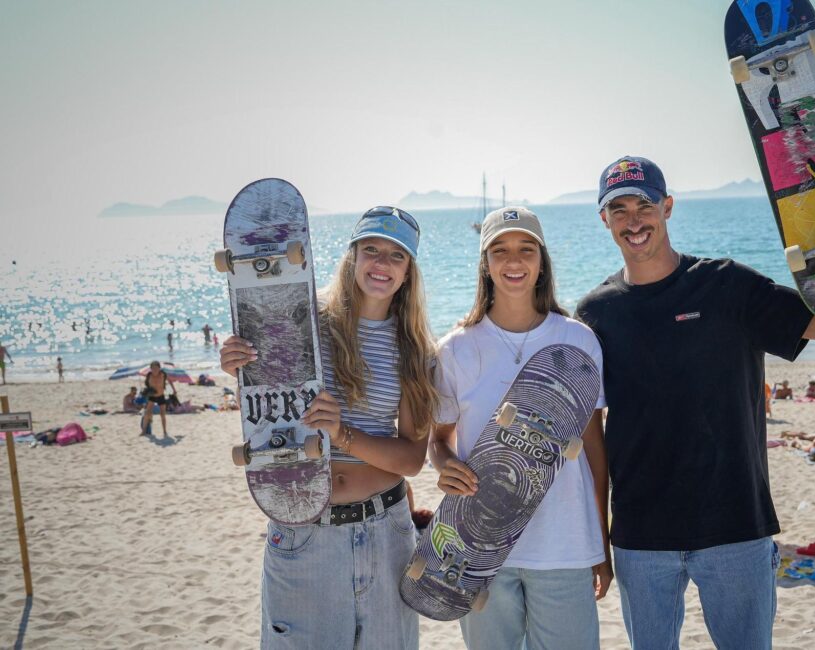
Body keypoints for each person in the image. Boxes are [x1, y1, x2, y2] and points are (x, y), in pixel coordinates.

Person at [573, 155, 815, 649]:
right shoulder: (596, 314)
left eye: (645, 205)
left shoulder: (726, 284)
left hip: (735, 526)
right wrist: (597, 538)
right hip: (641, 535)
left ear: (668, 207)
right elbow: (589, 437)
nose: (634, 221)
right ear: (604, 219)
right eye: (619, 209)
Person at [220, 206, 436, 648]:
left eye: (396, 256)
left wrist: (343, 435)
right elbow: (266, 390)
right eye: (371, 250)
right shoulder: (304, 322)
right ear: (352, 256)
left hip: (385, 530)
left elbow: (412, 459)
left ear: (409, 271)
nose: (381, 264)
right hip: (304, 530)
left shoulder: (415, 348)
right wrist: (237, 362)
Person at [430, 207, 611, 649]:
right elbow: (438, 441)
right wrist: (446, 464)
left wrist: (600, 543)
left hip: (564, 544)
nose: (514, 261)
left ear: (541, 260)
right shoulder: (456, 348)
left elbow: (595, 451)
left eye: (525, 250)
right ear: (485, 264)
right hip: (479, 546)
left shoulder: (577, 340)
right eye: (500, 250)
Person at [142, 361, 178, 437]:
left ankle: (164, 431)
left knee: (162, 414)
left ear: (159, 368)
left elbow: (170, 381)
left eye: (156, 368)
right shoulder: (149, 375)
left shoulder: (163, 374)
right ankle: (143, 431)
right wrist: (146, 392)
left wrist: (174, 390)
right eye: (153, 368)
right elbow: (146, 385)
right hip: (152, 396)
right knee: (147, 413)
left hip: (161, 396)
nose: (155, 370)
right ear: (150, 369)